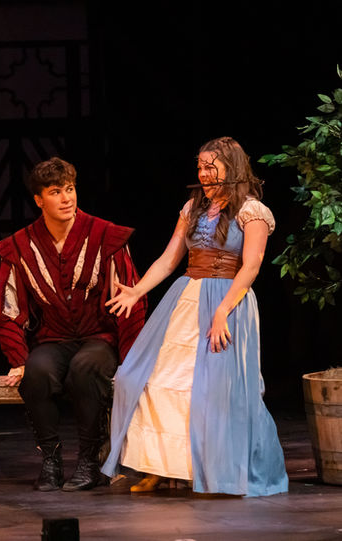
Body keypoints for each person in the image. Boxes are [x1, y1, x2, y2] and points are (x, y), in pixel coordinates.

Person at [101, 136, 289, 497]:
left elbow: (250, 267)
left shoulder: (252, 212)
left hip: (228, 301)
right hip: (187, 298)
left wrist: (222, 311)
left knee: (212, 391)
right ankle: (160, 465)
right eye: (200, 166)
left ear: (231, 167)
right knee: (151, 379)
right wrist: (137, 291)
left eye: (210, 166)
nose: (203, 173)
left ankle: (210, 469)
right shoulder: (193, 208)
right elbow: (169, 259)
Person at [0, 157, 147, 491]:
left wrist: (131, 358)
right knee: (36, 370)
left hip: (98, 337)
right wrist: (17, 358)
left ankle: (89, 461)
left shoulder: (105, 236)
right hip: (54, 338)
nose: (66, 198)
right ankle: (51, 460)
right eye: (55, 192)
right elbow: (5, 309)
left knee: (85, 367)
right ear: (39, 200)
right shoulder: (20, 246)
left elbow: (132, 300)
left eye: (70, 189)